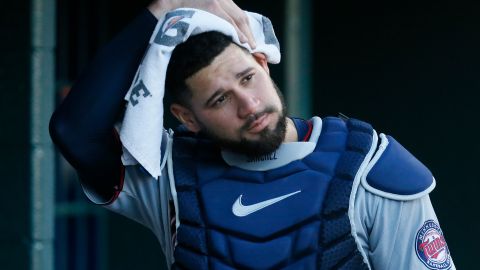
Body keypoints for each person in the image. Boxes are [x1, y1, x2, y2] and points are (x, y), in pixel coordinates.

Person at [49, 0, 455, 269]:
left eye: (248, 77)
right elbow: (74, 131)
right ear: (186, 117)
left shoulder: (369, 166)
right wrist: (166, 7)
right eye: (220, 99)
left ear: (262, 62)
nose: (249, 105)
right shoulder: (169, 177)